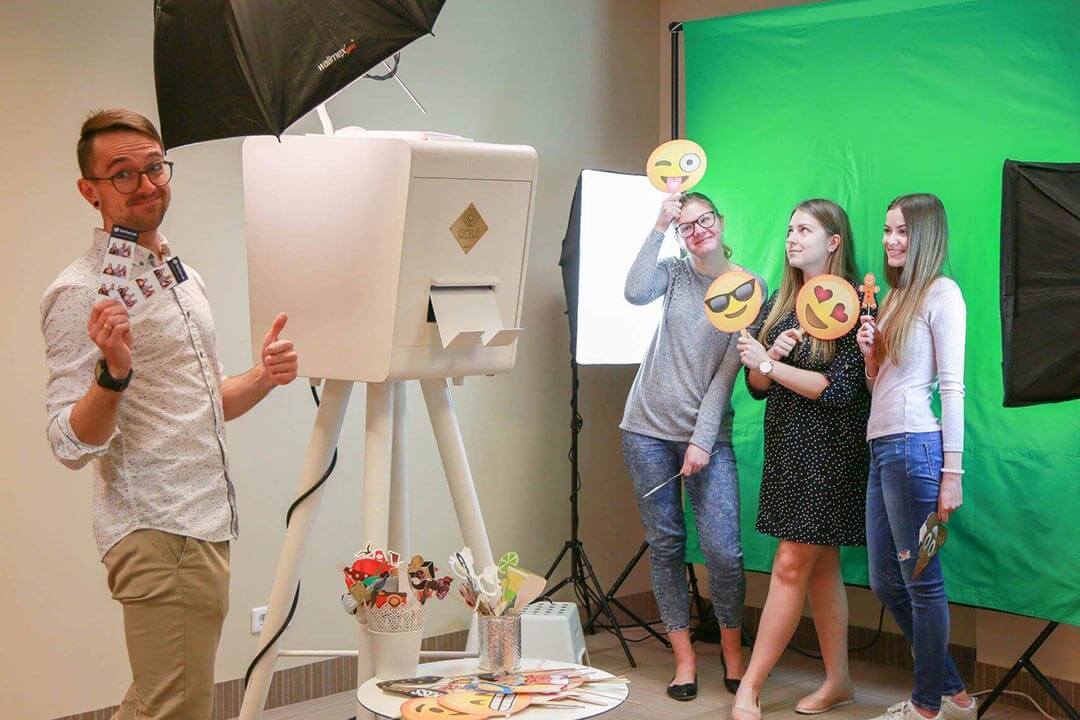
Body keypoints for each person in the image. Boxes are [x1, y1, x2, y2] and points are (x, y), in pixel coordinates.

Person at [41, 109, 299, 720]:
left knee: (156, 700)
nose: (146, 184)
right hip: (158, 527)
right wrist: (113, 373)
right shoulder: (80, 293)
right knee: (177, 708)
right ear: (90, 191)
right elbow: (68, 443)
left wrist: (263, 376)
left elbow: (205, 403)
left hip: (206, 519)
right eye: (122, 174)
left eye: (154, 167)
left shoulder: (183, 278)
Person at [620, 191, 766, 701]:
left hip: (708, 438)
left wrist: (701, 441)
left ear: (720, 222)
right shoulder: (676, 274)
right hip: (645, 430)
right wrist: (659, 224)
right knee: (666, 545)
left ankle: (732, 651)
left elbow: (728, 373)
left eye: (704, 220)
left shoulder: (748, 288)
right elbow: (634, 292)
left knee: (724, 551)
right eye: (687, 226)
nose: (698, 230)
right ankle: (683, 658)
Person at [730, 199, 870, 719]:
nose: (792, 237)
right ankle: (839, 682)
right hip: (788, 447)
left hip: (830, 453)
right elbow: (758, 386)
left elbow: (838, 390)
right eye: (790, 229)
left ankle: (750, 686)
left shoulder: (855, 303)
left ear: (833, 242)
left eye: (804, 230)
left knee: (790, 565)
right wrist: (768, 358)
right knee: (821, 567)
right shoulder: (784, 302)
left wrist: (771, 365)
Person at [859, 194, 974, 720]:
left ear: (926, 235)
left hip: (915, 450)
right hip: (884, 446)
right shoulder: (895, 296)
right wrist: (871, 357)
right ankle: (954, 694)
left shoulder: (942, 294)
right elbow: (880, 386)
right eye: (887, 230)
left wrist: (953, 472)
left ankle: (927, 707)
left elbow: (951, 387)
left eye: (902, 231)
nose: (891, 240)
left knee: (923, 582)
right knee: (886, 581)